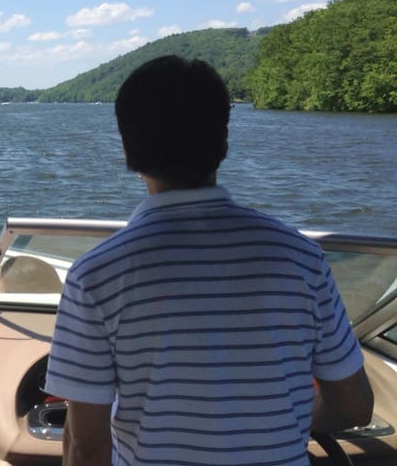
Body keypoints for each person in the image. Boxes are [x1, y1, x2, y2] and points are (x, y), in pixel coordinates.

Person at [45, 55, 374, 466]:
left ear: (128, 148)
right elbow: (355, 406)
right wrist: (282, 420)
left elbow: (86, 445)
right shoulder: (302, 259)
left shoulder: (95, 275)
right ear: (223, 142)